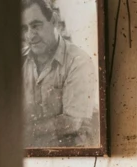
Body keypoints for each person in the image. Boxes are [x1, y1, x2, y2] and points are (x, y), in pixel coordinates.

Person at [22, 0, 99, 148]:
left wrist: (24, 130)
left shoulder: (78, 61)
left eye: (36, 26)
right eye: (25, 28)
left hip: (71, 157)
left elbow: (73, 122)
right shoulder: (19, 61)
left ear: (54, 21)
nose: (30, 36)